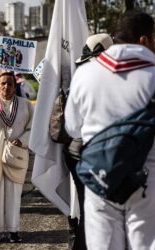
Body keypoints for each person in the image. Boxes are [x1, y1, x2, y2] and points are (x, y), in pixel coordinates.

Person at [65, 11, 155, 250]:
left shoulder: (84, 75)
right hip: (149, 182)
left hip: (100, 179)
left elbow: (72, 128)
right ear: (144, 41)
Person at [64, 33, 113, 250]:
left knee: (89, 211)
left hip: (76, 152)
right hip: (94, 154)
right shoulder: (112, 80)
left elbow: (71, 125)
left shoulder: (82, 78)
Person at [0, 70, 33, 243]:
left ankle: (14, 231)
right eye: (3, 83)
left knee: (14, 193)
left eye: (10, 83)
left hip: (15, 155)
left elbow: (33, 128)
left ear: (15, 86)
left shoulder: (25, 105)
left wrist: (22, 140)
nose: (6, 87)